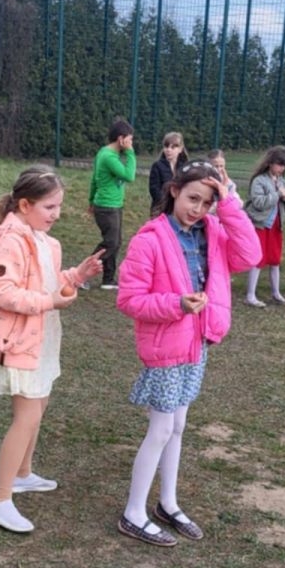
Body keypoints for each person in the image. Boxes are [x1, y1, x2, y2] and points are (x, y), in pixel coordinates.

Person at [116, 159, 262, 545]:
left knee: (178, 426)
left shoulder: (214, 232)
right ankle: (133, 512)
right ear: (174, 191)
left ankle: (167, 503)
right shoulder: (149, 239)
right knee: (162, 428)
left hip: (197, 343)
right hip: (166, 346)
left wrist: (228, 203)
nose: (198, 209)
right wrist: (176, 304)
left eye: (207, 202)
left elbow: (250, 255)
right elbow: (129, 299)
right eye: (192, 198)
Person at [0, 166, 103, 533]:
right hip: (19, 342)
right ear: (25, 205)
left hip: (42, 338)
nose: (56, 214)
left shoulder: (44, 240)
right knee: (26, 416)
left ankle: (22, 474)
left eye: (59, 206)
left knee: (38, 408)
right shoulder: (10, 240)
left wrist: (76, 276)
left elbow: (47, 282)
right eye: (49, 206)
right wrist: (49, 301)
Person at [89, 117, 137, 289]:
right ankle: (82, 273)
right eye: (130, 140)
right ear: (121, 139)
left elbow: (94, 179)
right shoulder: (108, 156)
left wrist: (90, 200)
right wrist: (130, 153)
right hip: (107, 206)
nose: (131, 144)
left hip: (114, 205)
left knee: (115, 242)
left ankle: (108, 280)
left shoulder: (105, 153)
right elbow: (129, 176)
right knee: (111, 242)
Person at [244, 145, 285, 306]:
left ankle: (276, 293)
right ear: (270, 163)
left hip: (276, 226)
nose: (282, 168)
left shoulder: (282, 181)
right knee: (258, 259)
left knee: (275, 259)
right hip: (260, 225)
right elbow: (259, 203)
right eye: (279, 164)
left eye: (284, 165)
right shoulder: (259, 180)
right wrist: (278, 194)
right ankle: (250, 295)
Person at [148, 131, 189, 212]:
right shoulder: (157, 166)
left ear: (180, 149)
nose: (168, 150)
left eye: (173, 147)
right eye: (166, 147)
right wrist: (167, 203)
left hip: (179, 208)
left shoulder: (185, 167)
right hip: (161, 208)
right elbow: (154, 189)